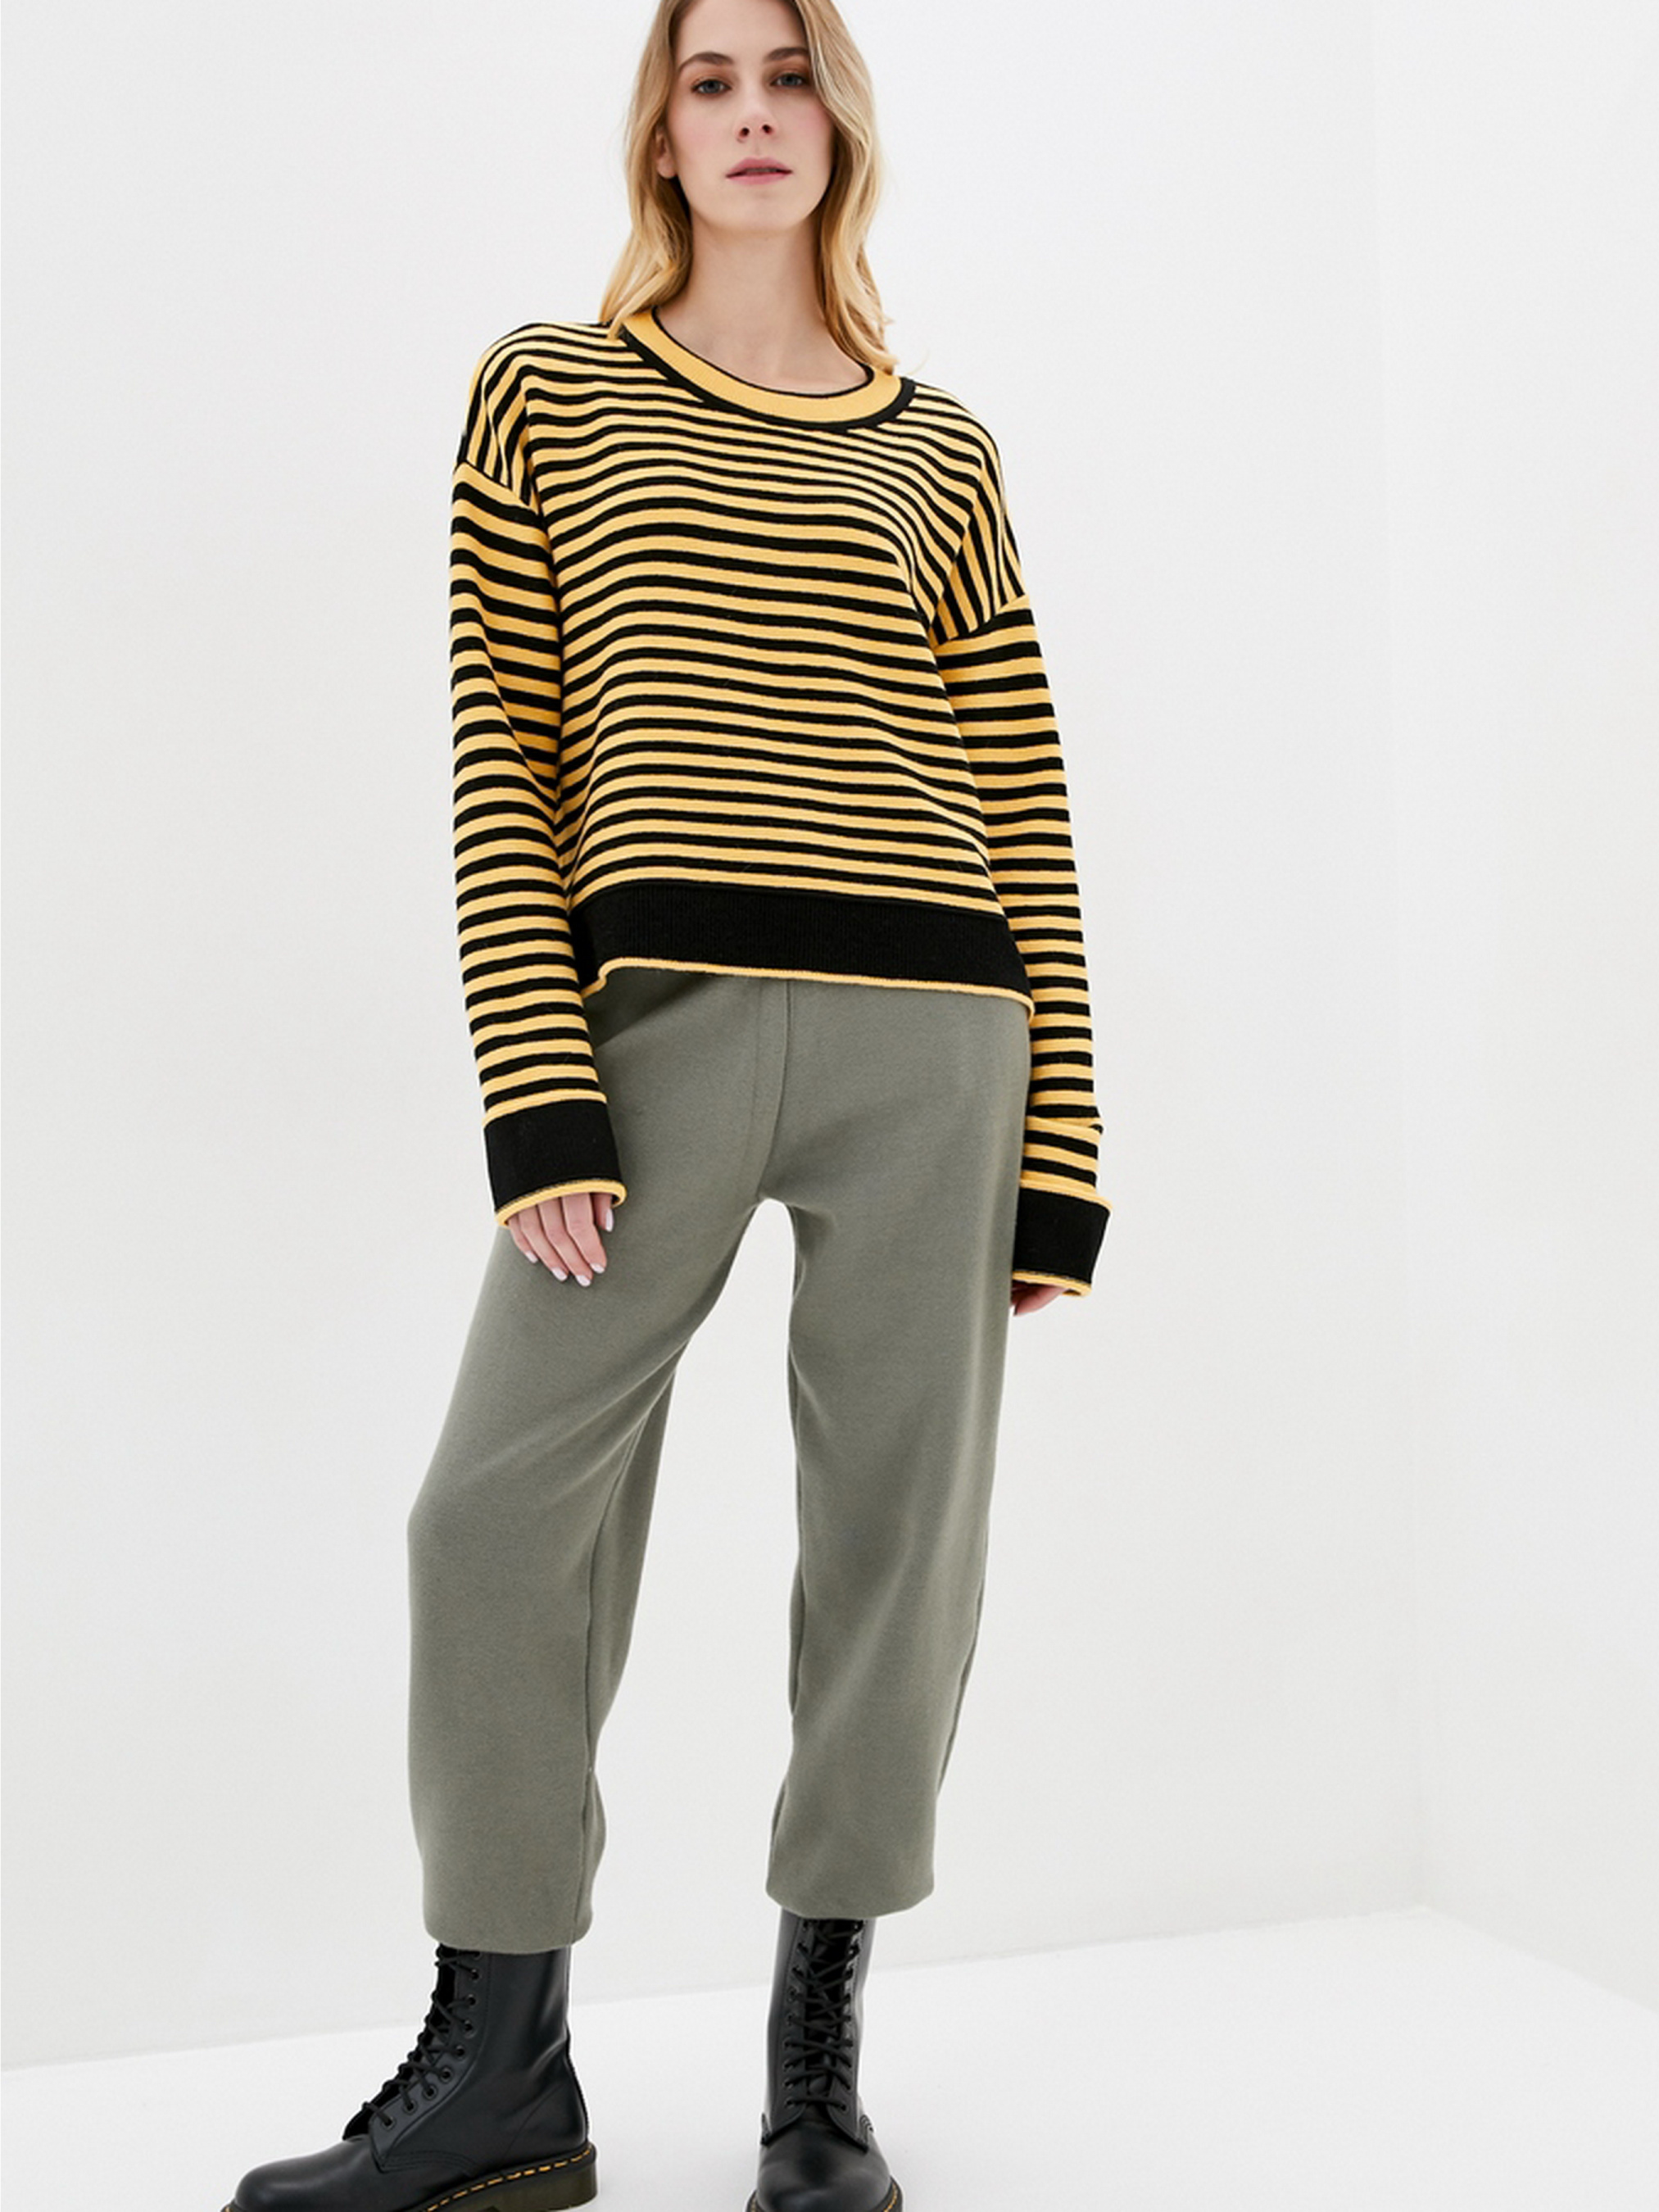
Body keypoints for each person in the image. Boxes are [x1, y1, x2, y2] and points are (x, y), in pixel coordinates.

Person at [223, 1, 1109, 2207]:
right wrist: (540, 1096)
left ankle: (817, 2065)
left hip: (937, 1044)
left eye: (787, 74)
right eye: (708, 80)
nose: (751, 114)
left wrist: (1060, 1153)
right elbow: (505, 753)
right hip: (654, 1041)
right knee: (490, 1517)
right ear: (659, 133)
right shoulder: (549, 390)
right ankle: (501, 2066)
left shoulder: (943, 449)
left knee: (898, 1545)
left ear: (840, 121)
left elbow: (1020, 787)